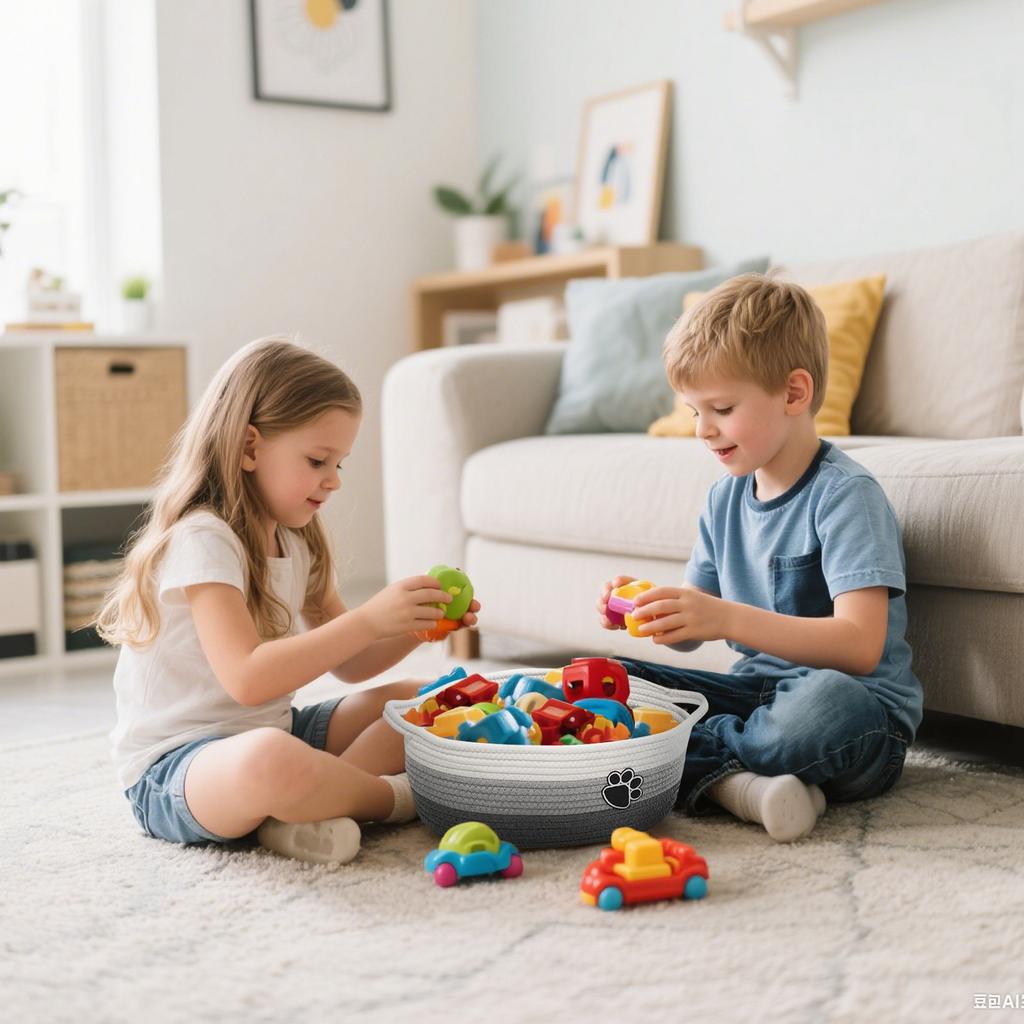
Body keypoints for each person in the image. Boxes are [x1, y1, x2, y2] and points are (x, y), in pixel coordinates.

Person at [97, 337, 479, 865]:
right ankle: (391, 800)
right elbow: (248, 678)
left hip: (274, 732)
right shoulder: (203, 538)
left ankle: (305, 808)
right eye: (319, 460)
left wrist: (415, 626)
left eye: (340, 464)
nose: (333, 481)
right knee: (271, 760)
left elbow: (352, 663)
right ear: (249, 447)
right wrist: (370, 620)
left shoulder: (297, 539)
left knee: (426, 700)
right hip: (176, 770)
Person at [597, 274, 921, 842]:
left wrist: (726, 618)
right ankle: (742, 783)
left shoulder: (846, 496)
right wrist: (654, 611)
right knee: (606, 682)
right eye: (694, 411)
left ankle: (687, 757)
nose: (703, 430)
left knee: (821, 709)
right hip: (755, 700)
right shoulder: (723, 499)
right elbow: (693, 629)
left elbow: (861, 646)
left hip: (856, 713)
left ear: (794, 394)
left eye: (721, 408)